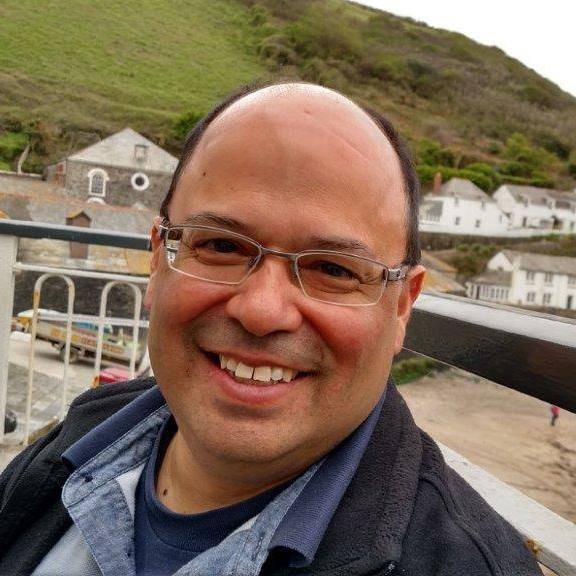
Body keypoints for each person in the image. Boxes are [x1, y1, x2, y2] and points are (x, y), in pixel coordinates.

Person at [0, 82, 542, 576]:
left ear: (401, 306)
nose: (262, 311)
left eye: (333, 269)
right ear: (158, 261)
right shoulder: (81, 438)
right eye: (221, 246)